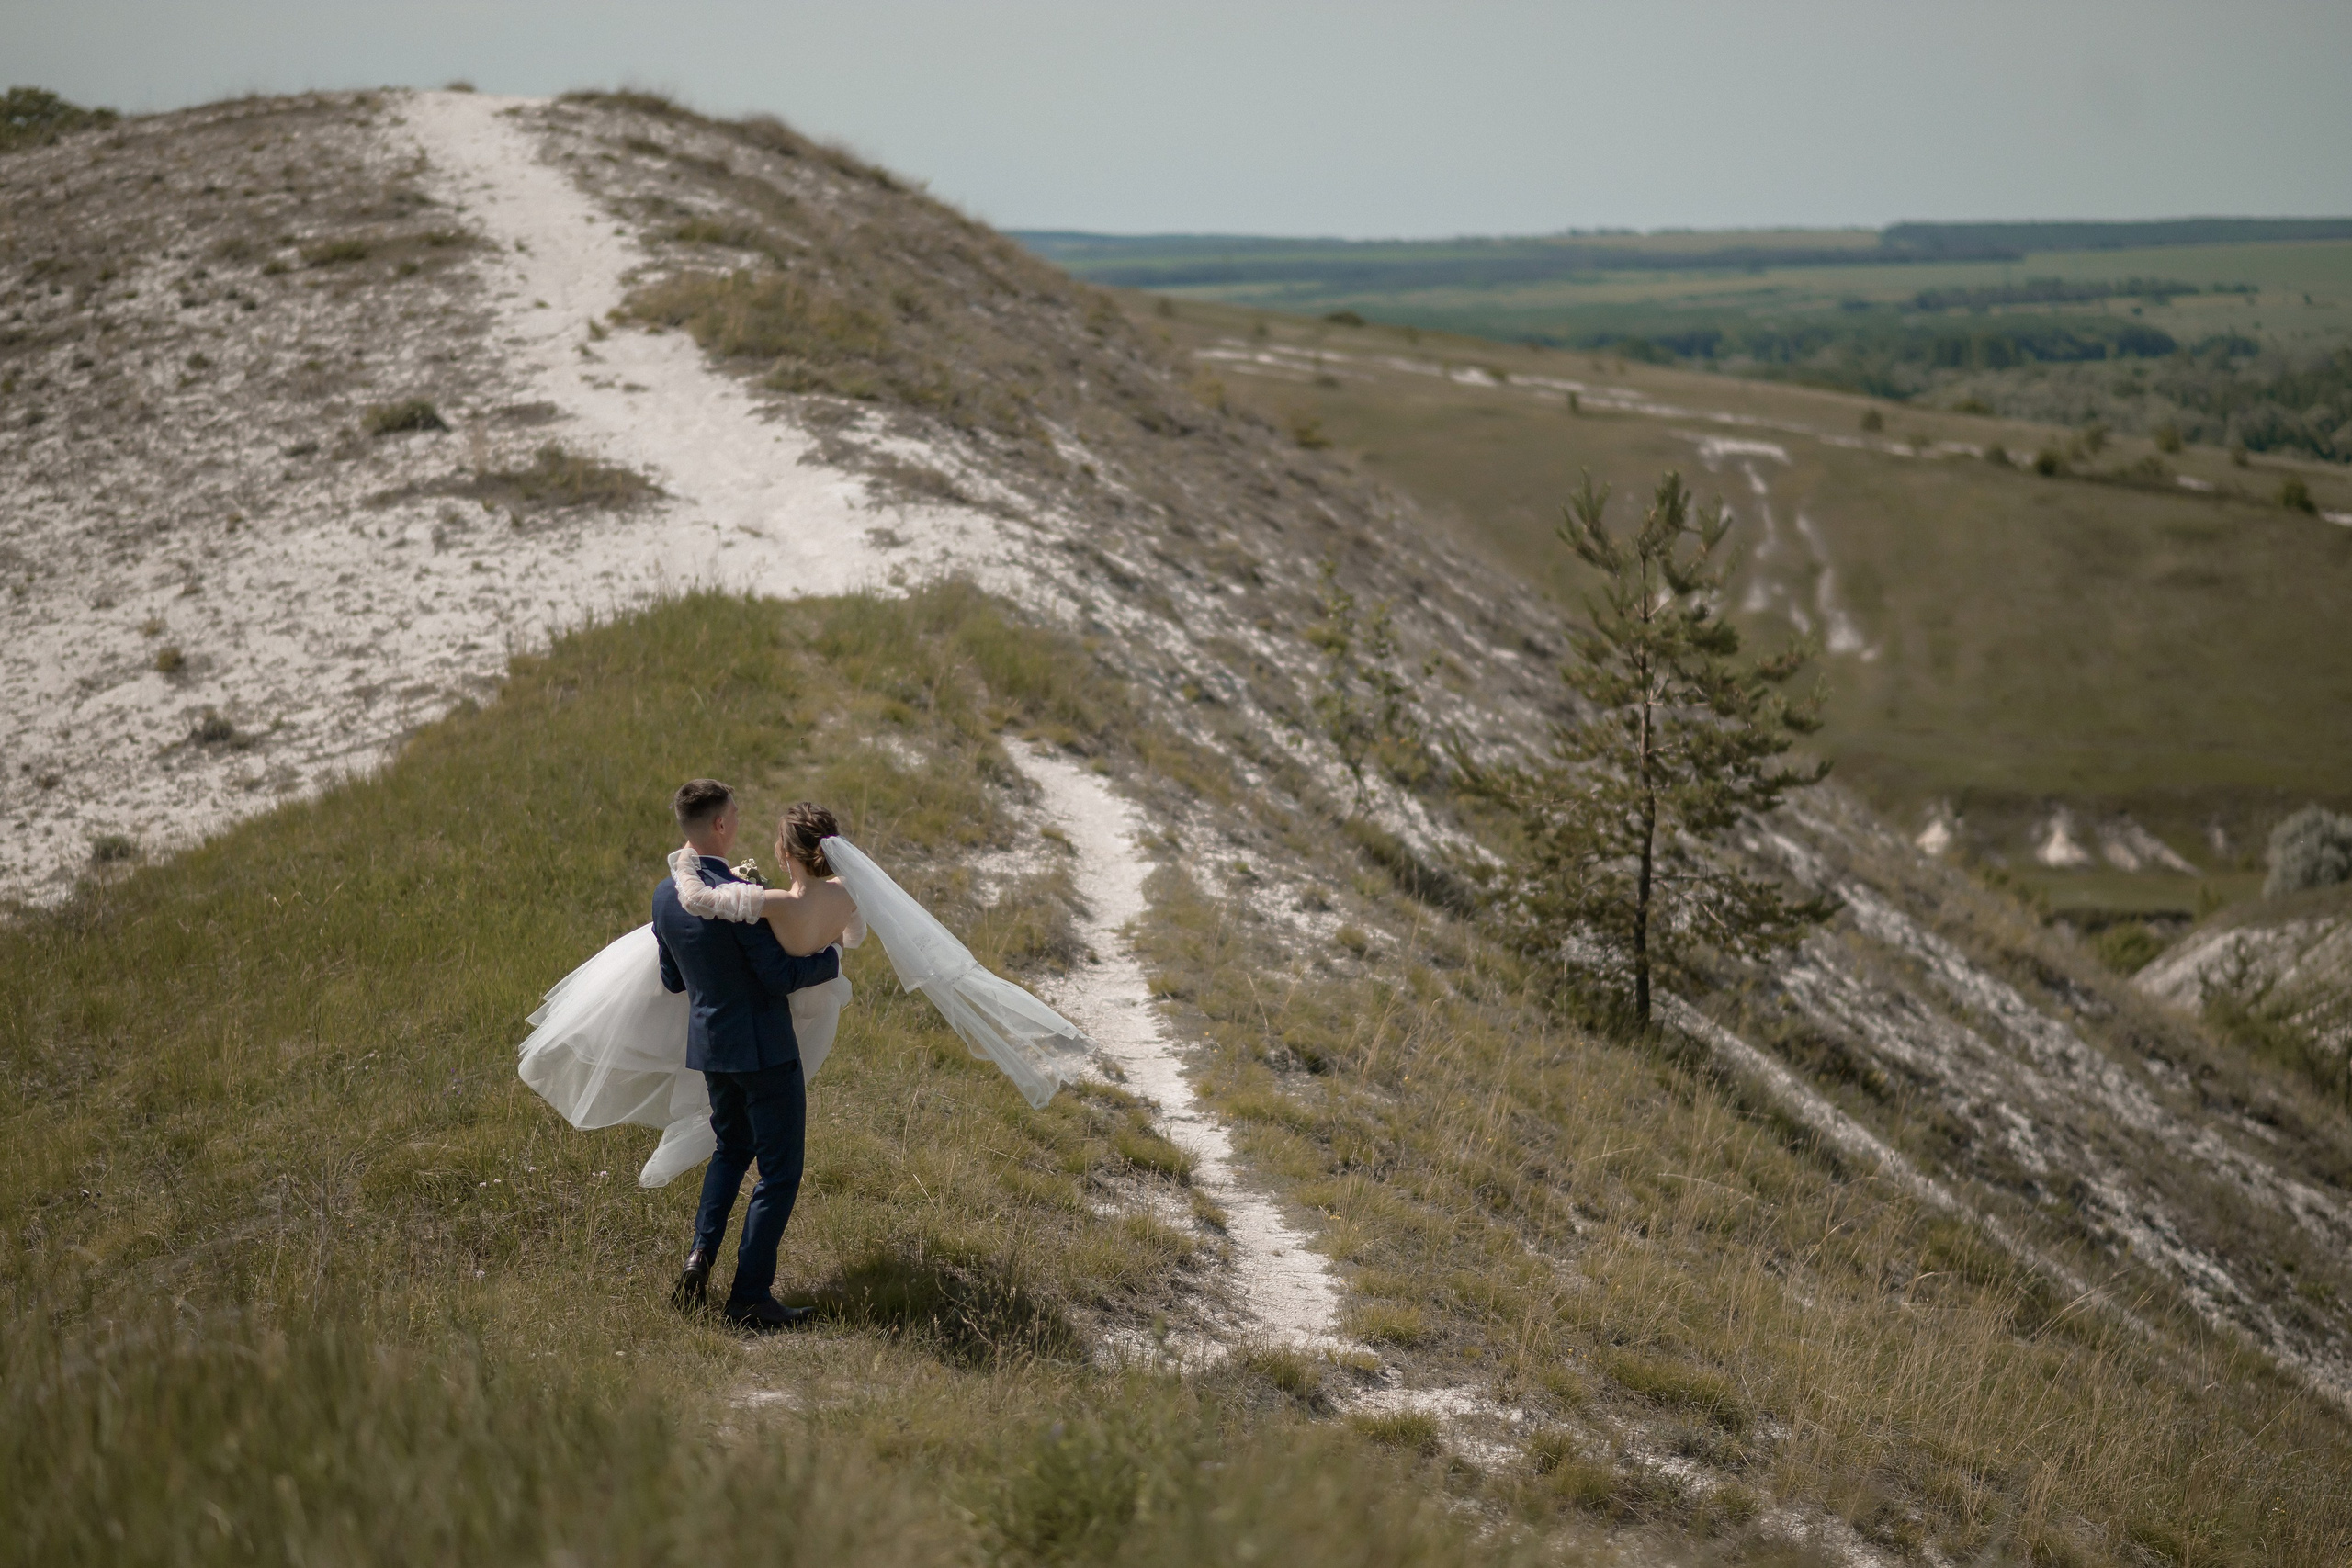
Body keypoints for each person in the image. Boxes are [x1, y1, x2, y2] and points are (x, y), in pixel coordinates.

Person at [653, 780, 842, 1328]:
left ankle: (699, 1257)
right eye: (734, 815)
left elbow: (671, 978)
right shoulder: (743, 903)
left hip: (711, 1048)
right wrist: (828, 960)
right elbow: (779, 974)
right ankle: (749, 1298)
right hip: (764, 1049)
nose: (738, 822)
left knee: (731, 1150)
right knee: (779, 1173)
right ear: (718, 825)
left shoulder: (667, 896)